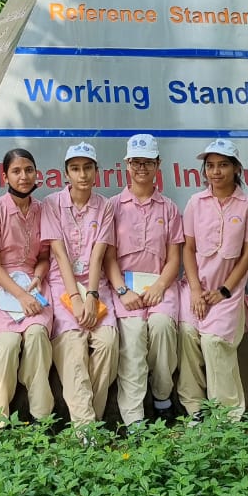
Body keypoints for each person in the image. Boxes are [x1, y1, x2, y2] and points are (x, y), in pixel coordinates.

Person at [178, 138, 248, 423]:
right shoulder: (195, 202)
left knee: (215, 342)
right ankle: (195, 408)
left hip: (228, 292)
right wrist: (195, 290)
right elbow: (188, 249)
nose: (216, 171)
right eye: (210, 165)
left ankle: (227, 414)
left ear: (236, 168)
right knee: (186, 333)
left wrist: (223, 291)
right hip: (196, 287)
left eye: (223, 165)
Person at [104, 134, 182, 429]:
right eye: (136, 162)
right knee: (133, 337)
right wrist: (122, 290)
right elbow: (108, 257)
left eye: (148, 162)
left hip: (161, 286)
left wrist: (160, 286)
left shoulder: (169, 208)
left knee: (162, 328)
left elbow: (174, 258)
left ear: (158, 164)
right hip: (124, 289)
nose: (141, 168)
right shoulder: (112, 207)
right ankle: (134, 415)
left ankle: (162, 397)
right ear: (126, 164)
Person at [41, 141, 119, 435]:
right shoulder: (51, 204)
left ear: (97, 171)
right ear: (66, 173)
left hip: (97, 285)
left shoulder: (105, 206)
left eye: (88, 168)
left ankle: (88, 421)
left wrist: (92, 296)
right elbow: (59, 254)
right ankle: (86, 429)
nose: (82, 175)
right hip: (62, 285)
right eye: (75, 169)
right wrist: (75, 297)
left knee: (107, 343)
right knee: (73, 346)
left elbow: (98, 255)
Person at [0, 148, 54, 423]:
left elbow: (44, 256)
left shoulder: (43, 210)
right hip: (0, 287)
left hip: (34, 286)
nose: (24, 176)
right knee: (9, 344)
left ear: (36, 173)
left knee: (37, 335)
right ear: (5, 177)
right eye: (16, 171)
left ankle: (41, 415)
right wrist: (21, 296)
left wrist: (38, 277)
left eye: (29, 170)